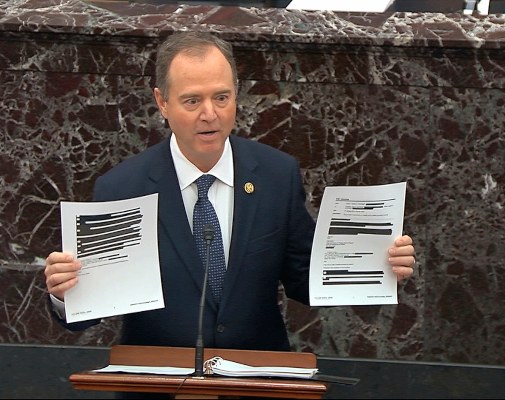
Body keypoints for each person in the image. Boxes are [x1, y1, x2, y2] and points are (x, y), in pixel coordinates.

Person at [44, 31, 415, 351]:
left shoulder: (275, 175)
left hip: (257, 379)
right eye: (192, 101)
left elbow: (305, 280)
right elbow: (86, 316)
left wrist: (377, 267)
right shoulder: (122, 188)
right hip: (159, 384)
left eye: (222, 97)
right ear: (161, 102)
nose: (210, 113)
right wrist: (65, 294)